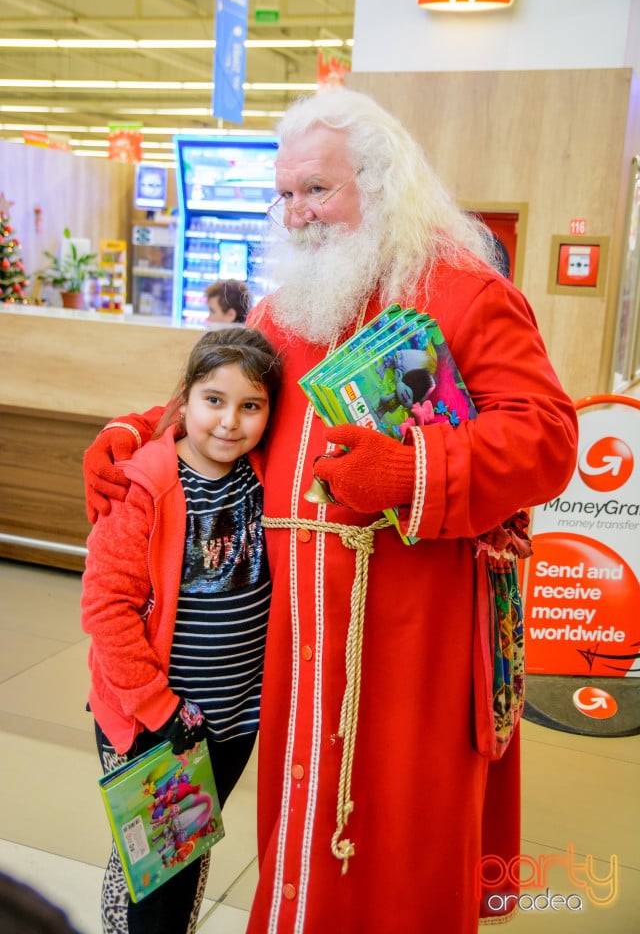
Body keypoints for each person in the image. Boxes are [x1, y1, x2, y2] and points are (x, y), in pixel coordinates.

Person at [83, 88, 578, 934]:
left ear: (380, 185)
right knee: (244, 838)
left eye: (317, 189)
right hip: (280, 658)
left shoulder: (465, 295)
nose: (298, 213)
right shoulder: (284, 313)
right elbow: (222, 404)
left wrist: (413, 469)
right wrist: (139, 434)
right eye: (285, 194)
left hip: (410, 645)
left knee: (397, 849)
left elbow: (547, 439)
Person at [81, 326, 281, 934]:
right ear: (185, 400)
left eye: (251, 406)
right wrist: (158, 708)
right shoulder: (146, 486)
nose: (229, 422)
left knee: (183, 860)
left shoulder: (262, 474)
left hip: (235, 716)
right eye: (213, 401)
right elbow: (106, 608)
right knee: (160, 883)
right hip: (160, 723)